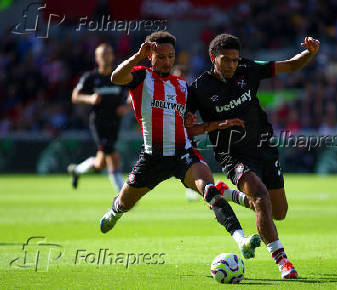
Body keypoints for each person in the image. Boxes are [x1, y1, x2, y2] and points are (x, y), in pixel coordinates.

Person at [99, 31, 261, 259]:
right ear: (151, 55)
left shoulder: (182, 87)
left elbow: (190, 127)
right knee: (125, 203)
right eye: (161, 56)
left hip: (183, 155)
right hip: (152, 158)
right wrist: (138, 56)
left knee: (209, 189)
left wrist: (217, 124)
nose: (166, 61)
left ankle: (241, 240)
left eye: (171, 56)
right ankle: (115, 212)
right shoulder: (141, 77)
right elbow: (116, 77)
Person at [185, 33, 320, 279]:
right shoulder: (198, 89)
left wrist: (309, 53)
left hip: (264, 146)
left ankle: (229, 193)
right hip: (233, 154)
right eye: (226, 60)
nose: (231, 65)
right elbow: (188, 128)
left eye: (235, 60)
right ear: (213, 58)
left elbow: (290, 65)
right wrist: (216, 125)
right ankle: (283, 262)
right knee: (260, 196)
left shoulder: (248, 69)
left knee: (278, 212)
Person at [68, 43, 130, 192]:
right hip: (99, 123)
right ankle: (122, 197)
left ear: (113, 56)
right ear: (96, 58)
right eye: (102, 54)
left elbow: (132, 95)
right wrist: (90, 99)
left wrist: (127, 107)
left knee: (100, 163)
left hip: (115, 122)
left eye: (108, 53)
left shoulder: (119, 76)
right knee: (113, 156)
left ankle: (77, 170)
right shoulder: (91, 77)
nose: (105, 56)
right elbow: (75, 96)